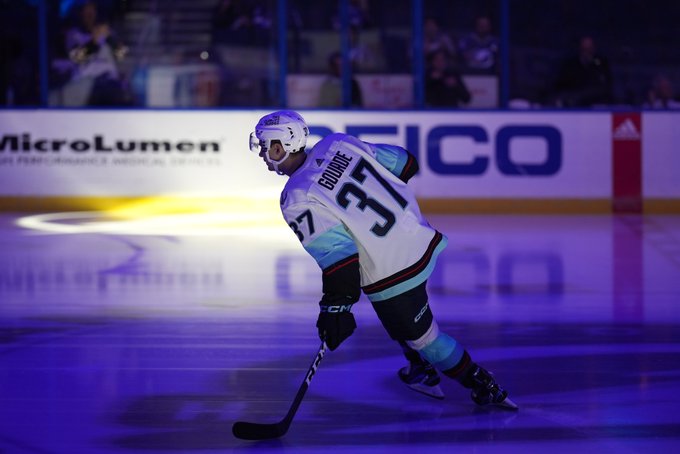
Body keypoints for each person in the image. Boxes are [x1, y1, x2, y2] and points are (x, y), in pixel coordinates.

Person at [249, 110, 518, 410]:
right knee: (395, 318)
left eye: (265, 146)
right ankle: (420, 368)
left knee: (424, 337)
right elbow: (406, 163)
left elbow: (340, 260)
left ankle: (480, 382)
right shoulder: (336, 144)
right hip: (418, 238)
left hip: (393, 271)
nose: (262, 153)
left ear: (281, 146)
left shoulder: (296, 197)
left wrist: (336, 309)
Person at [62, 0, 129, 106]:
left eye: (92, 11)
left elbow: (122, 55)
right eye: (86, 12)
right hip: (85, 86)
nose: (90, 15)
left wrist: (109, 38)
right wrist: (94, 42)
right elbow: (77, 58)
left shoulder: (108, 34)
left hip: (111, 85)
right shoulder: (73, 35)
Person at [552, 35, 612, 108]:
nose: (587, 52)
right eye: (584, 48)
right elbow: (562, 84)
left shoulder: (601, 64)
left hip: (596, 101)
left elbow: (606, 85)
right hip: (574, 101)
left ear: (593, 49)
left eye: (589, 49)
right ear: (580, 48)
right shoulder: (570, 65)